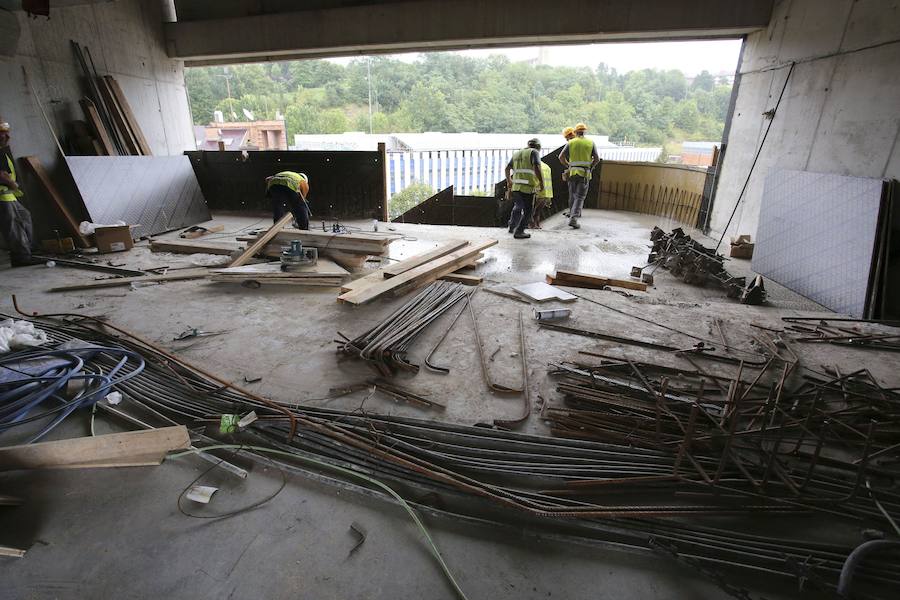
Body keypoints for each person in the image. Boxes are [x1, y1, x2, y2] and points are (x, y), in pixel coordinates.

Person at [0, 121, 39, 267]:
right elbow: (2, 175)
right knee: (15, 226)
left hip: (8, 195)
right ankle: (22, 257)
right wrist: (13, 184)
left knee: (25, 217)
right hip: (3, 196)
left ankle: (28, 252)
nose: (7, 135)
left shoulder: (2, 150)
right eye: (3, 132)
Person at [558, 122, 599, 229]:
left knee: (572, 194)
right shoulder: (590, 143)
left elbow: (561, 157)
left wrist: (569, 165)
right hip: (584, 173)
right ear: (585, 132)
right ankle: (574, 218)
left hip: (572, 173)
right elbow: (597, 159)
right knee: (580, 197)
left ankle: (572, 213)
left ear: (575, 132)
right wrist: (591, 167)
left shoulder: (571, 142)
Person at [504, 138, 544, 240]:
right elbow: (537, 168)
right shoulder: (534, 152)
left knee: (518, 206)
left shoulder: (517, 153)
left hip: (516, 186)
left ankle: (512, 226)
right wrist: (541, 182)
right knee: (528, 210)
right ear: (538, 147)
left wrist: (509, 181)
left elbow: (507, 168)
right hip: (528, 187)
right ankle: (519, 231)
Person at [530, 161, 553, 229]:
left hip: (538, 191)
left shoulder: (534, 166)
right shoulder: (546, 166)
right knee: (538, 211)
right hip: (547, 192)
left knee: (533, 210)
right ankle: (537, 224)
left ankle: (532, 225)